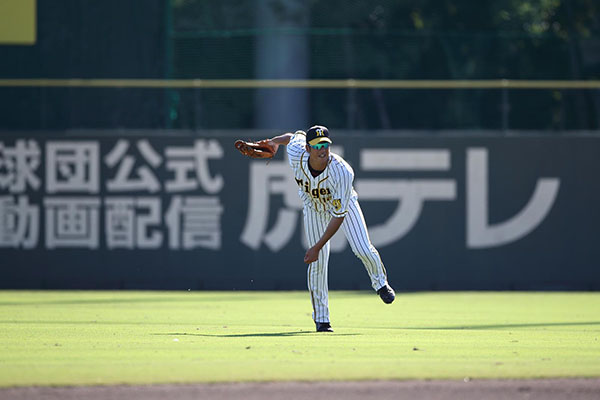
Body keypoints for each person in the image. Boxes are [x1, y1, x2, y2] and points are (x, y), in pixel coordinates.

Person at [265, 125, 395, 333]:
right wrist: (273, 141)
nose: (322, 149)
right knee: (318, 264)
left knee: (362, 248)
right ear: (308, 149)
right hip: (314, 207)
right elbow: (291, 138)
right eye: (317, 145)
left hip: (344, 205)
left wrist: (317, 245)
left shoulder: (343, 172)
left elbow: (338, 216)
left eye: (325, 144)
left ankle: (380, 282)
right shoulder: (297, 152)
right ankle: (322, 320)